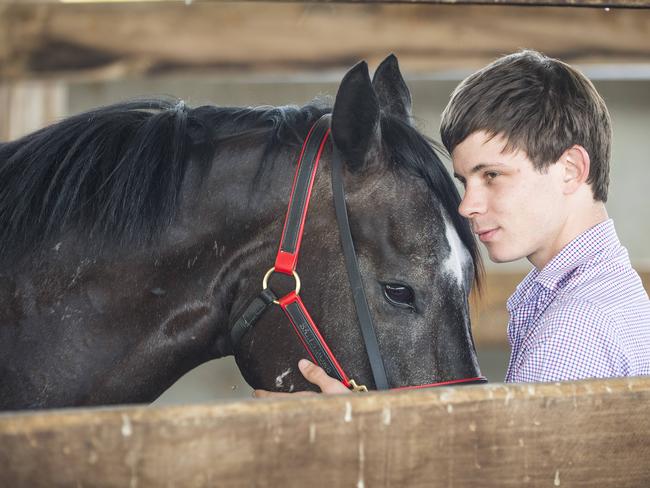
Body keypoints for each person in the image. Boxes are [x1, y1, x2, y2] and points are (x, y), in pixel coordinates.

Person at [254, 50, 650, 397]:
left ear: (570, 170)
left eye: (492, 175)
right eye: (464, 181)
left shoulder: (573, 332)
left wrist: (355, 433)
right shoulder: (614, 296)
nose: (466, 206)